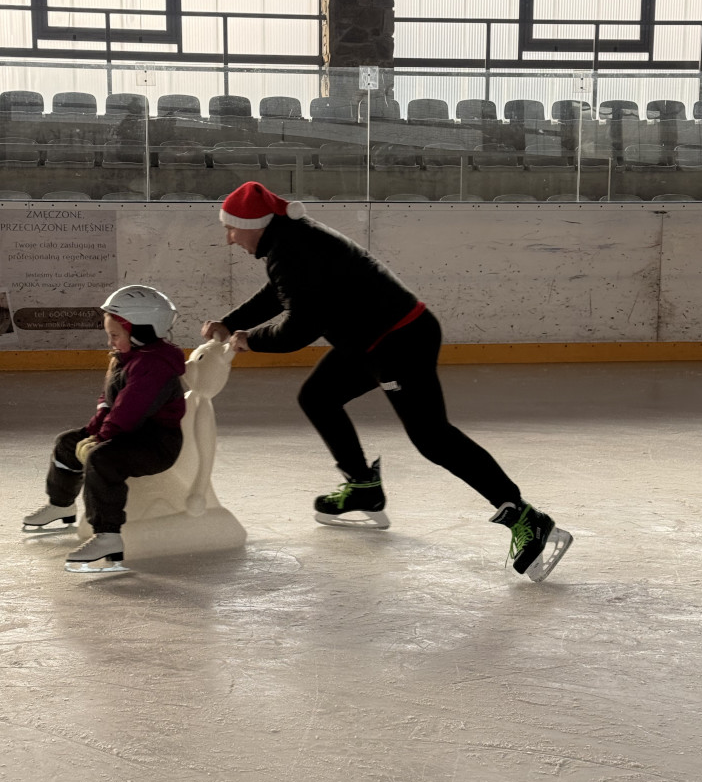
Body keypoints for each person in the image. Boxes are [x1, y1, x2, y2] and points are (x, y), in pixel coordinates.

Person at [202, 182, 572, 582]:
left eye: (232, 229)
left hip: (400, 341)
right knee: (318, 396)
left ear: (254, 224)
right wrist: (232, 321)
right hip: (369, 340)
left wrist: (248, 340)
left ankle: (524, 516)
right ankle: (363, 487)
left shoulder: (293, 249)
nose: (229, 238)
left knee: (432, 437)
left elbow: (297, 331)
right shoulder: (288, 243)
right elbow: (283, 293)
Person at [23, 285, 186, 573]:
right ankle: (62, 505)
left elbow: (131, 409)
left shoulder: (154, 366)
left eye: (114, 336)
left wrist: (101, 438)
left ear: (142, 331)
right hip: (125, 431)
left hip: (155, 443)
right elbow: (110, 400)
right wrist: (94, 429)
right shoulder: (128, 355)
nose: (110, 342)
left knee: (102, 459)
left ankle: (108, 535)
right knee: (67, 442)